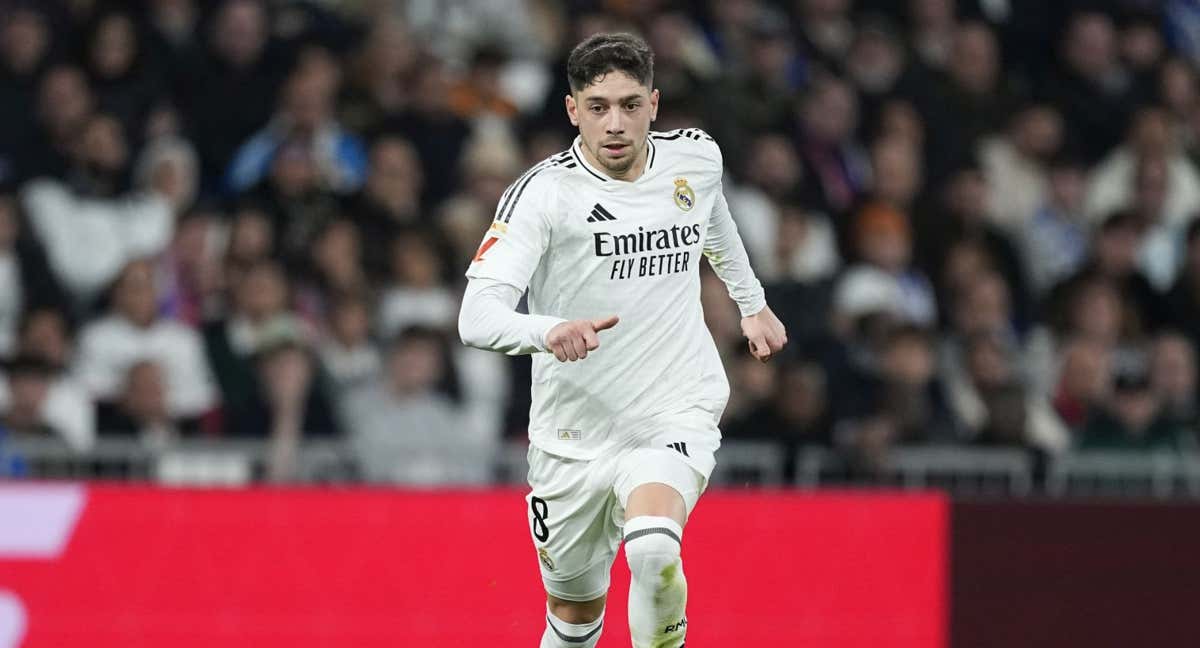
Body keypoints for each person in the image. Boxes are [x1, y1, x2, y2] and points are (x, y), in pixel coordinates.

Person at [458, 33, 786, 648]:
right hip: (573, 436)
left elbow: (711, 219)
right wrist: (547, 330)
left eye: (631, 104)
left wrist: (752, 304)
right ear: (572, 110)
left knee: (654, 547)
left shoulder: (696, 159)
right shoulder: (544, 196)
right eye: (599, 105)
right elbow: (475, 317)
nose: (616, 122)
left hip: (673, 407)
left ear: (655, 105)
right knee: (575, 619)